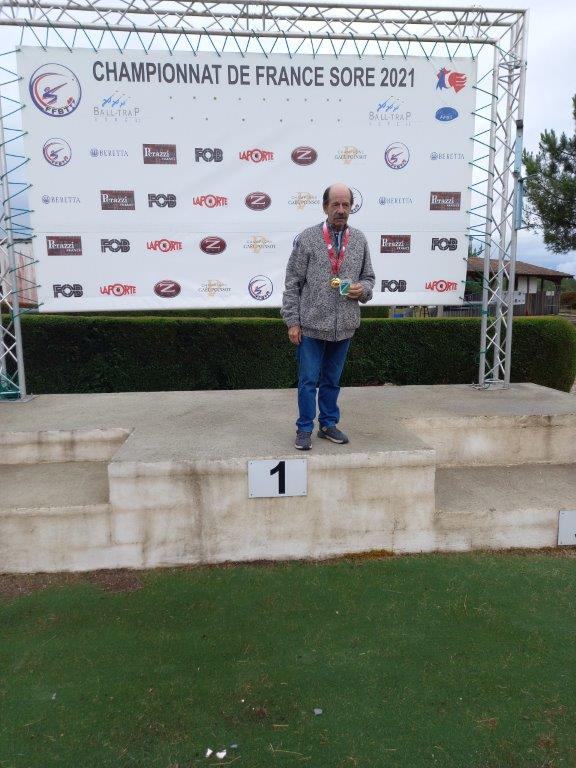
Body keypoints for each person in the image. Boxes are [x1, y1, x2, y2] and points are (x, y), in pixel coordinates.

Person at [281, 183, 375, 450]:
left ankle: (328, 424)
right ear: (325, 207)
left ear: (351, 208)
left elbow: (369, 278)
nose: (341, 210)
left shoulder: (359, 240)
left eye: (346, 205)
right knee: (308, 381)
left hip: (344, 326)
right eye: (335, 204)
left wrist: (362, 289)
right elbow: (293, 282)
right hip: (311, 326)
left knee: (332, 381)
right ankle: (304, 428)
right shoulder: (308, 238)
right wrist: (293, 321)